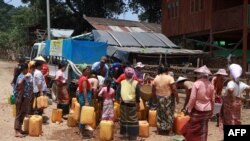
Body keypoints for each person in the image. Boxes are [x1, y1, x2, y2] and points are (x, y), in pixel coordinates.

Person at [181, 65, 215, 141]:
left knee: (192, 126)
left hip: (198, 108)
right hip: (207, 109)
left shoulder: (197, 83)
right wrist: (212, 110)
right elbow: (213, 99)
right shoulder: (211, 85)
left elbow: (192, 98)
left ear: (200, 74)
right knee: (203, 127)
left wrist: (189, 109)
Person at [152, 65, 179, 135]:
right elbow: (174, 89)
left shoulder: (156, 78)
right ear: (166, 71)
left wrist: (154, 98)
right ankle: (169, 131)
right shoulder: (170, 78)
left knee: (159, 114)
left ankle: (159, 130)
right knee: (169, 114)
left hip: (159, 98)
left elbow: (153, 89)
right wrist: (177, 98)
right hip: (168, 99)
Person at [118, 67, 140, 140]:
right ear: (132, 74)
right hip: (132, 104)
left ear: (125, 74)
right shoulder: (136, 83)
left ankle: (125, 135)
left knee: (124, 119)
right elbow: (138, 95)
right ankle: (132, 136)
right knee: (133, 120)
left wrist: (119, 101)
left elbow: (118, 93)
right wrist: (138, 104)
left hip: (123, 104)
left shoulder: (122, 82)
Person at [14, 63, 32, 137]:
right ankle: (17, 131)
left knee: (23, 113)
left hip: (25, 97)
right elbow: (19, 83)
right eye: (27, 69)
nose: (28, 70)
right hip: (21, 98)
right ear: (24, 69)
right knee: (19, 114)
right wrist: (23, 91)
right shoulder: (21, 76)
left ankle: (20, 129)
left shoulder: (25, 76)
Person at [77, 64, 93, 135]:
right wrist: (86, 101)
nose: (89, 71)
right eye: (87, 70)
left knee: (82, 113)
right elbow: (84, 90)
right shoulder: (84, 79)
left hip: (82, 97)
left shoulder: (82, 77)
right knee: (83, 113)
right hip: (84, 97)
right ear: (84, 71)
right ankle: (81, 131)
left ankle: (81, 130)